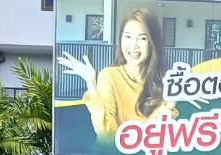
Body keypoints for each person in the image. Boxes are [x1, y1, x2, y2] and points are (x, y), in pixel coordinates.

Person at [60, 8, 169, 136]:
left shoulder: (164, 84)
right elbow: (106, 136)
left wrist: (171, 104)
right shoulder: (109, 76)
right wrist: (92, 85)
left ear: (153, 43)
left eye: (142, 38)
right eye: (128, 37)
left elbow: (156, 137)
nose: (134, 45)